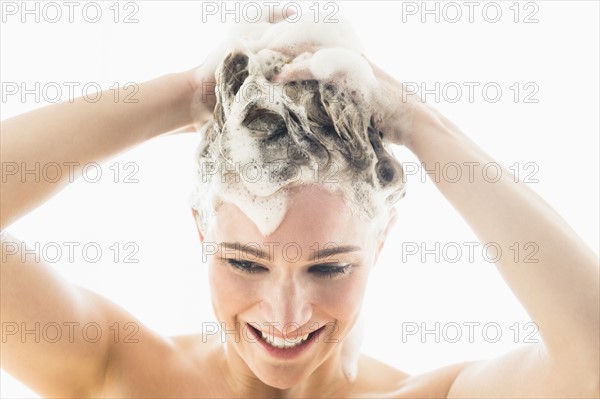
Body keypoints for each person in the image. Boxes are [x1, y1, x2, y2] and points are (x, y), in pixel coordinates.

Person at [1, 15, 598, 399]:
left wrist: (424, 126)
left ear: (380, 243)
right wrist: (187, 95)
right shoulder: (118, 375)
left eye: (329, 267)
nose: (286, 315)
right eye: (244, 262)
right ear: (202, 235)